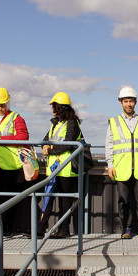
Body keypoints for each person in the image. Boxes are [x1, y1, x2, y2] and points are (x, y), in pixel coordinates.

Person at [105, 86, 138, 240]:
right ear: (121, 103)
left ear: (135, 102)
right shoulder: (113, 122)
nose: (128, 104)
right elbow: (109, 145)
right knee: (124, 202)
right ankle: (126, 229)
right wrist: (110, 164)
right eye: (125, 101)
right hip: (121, 168)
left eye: (131, 101)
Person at [0, 87, 29, 237]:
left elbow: (23, 137)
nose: (0, 109)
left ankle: (7, 229)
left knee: (10, 200)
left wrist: (0, 141)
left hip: (11, 167)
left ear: (8, 103)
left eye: (2, 105)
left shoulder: (16, 118)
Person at [41, 92, 83, 238]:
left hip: (66, 168)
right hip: (53, 168)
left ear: (60, 108)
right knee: (49, 197)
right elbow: (45, 141)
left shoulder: (72, 124)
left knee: (65, 200)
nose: (52, 109)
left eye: (54, 107)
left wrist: (50, 149)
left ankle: (64, 230)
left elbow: (68, 143)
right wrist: (46, 147)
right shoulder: (55, 124)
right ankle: (41, 228)